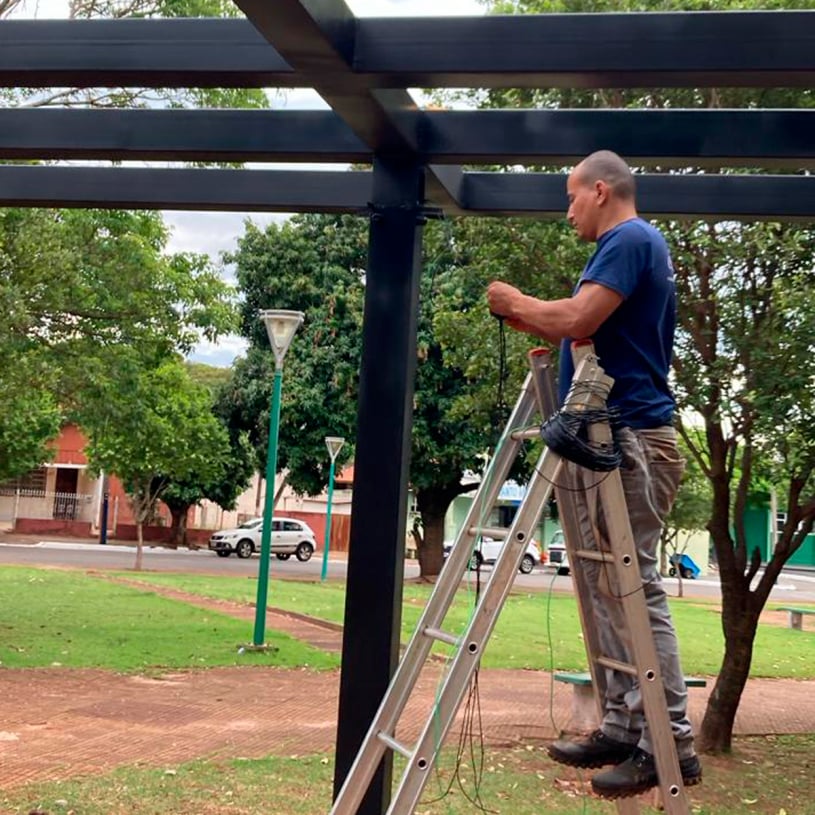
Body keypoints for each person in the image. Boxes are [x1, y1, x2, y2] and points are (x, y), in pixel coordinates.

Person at [486, 150, 700, 799]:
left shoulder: (629, 239)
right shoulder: (629, 246)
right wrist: (535, 317)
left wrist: (517, 300)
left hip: (631, 439)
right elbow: (584, 325)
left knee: (633, 585)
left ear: (600, 190)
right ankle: (623, 722)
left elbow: (579, 318)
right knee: (607, 586)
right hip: (609, 437)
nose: (568, 210)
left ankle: (670, 741)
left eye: (571, 196)